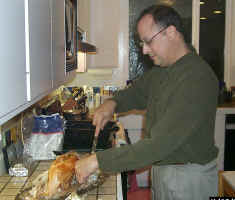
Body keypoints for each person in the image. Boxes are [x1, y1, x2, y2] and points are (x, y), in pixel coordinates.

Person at [75, 4, 219, 200]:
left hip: (188, 179)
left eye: (147, 41)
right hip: (164, 169)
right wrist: (112, 103)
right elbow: (137, 92)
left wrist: (98, 161)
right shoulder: (165, 69)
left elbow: (158, 145)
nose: (143, 50)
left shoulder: (196, 78)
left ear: (171, 32)